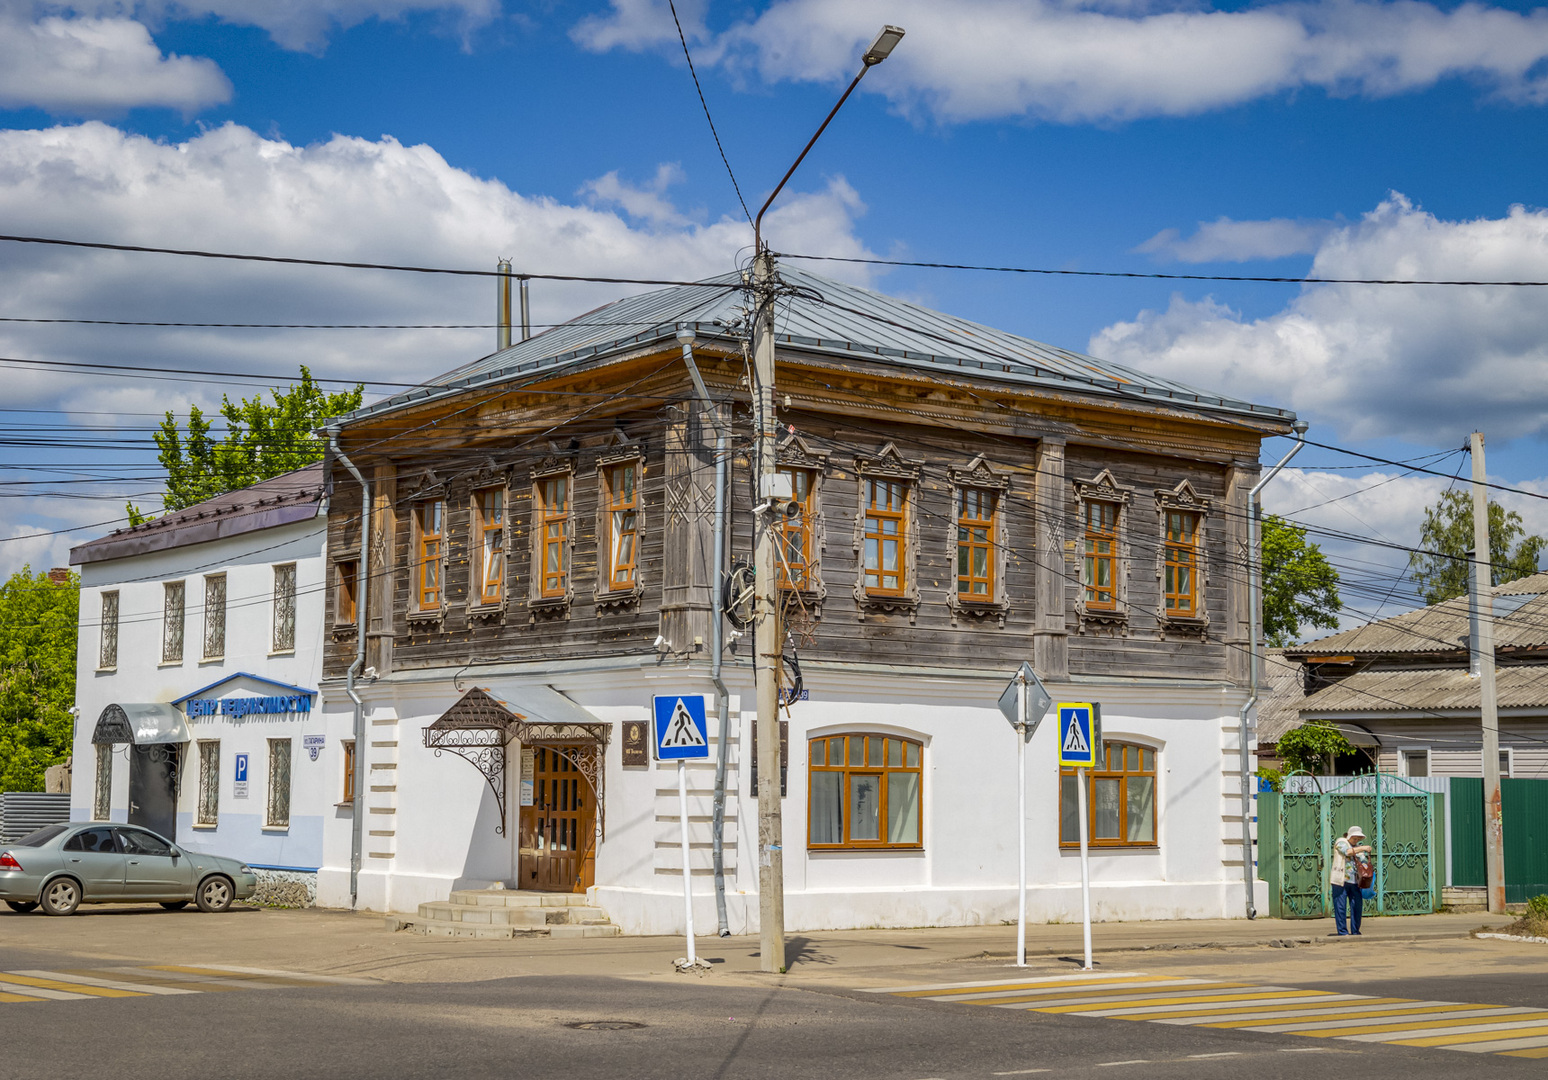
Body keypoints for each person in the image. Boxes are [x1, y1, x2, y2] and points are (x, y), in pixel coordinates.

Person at [1330, 824, 1372, 936]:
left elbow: (1362, 859)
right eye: (1355, 838)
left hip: (1355, 882)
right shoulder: (1341, 842)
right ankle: (1343, 932)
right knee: (1340, 907)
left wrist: (1365, 865)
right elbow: (1347, 852)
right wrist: (1362, 848)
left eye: (1359, 839)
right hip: (1340, 880)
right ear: (1349, 836)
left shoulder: (1358, 847)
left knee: (1357, 906)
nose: (1356, 840)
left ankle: (1355, 931)